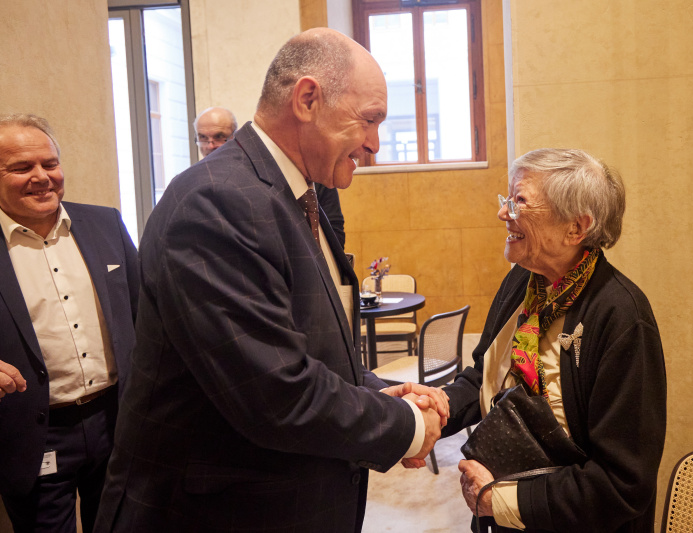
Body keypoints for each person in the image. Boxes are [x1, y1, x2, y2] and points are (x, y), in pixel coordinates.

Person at [94, 28, 447, 533]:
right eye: (369, 120)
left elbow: (300, 349)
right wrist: (410, 426)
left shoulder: (295, 195)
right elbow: (276, 394)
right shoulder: (217, 201)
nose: (373, 143)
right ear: (307, 98)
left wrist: (377, 394)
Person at [443, 149, 667, 532]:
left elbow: (623, 484)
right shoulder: (521, 281)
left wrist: (500, 500)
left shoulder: (622, 316)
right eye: (507, 198)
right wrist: (434, 409)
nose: (503, 213)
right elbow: (485, 375)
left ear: (576, 229)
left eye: (520, 201)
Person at [0, 113, 138, 533]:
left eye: (50, 163)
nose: (42, 177)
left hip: (117, 421)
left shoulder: (104, 223)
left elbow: (145, 312)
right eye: (22, 167)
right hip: (33, 435)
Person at [196, 106, 347, 246]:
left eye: (219, 137)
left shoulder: (318, 177)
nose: (210, 145)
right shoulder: (195, 185)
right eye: (202, 137)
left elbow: (335, 232)